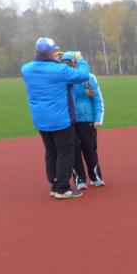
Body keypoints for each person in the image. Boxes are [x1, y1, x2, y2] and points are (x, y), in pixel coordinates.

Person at [21, 37, 90, 199]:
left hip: (40, 119)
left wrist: (54, 62)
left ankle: (54, 184)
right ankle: (62, 188)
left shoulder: (26, 69)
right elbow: (83, 75)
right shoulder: (60, 70)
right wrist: (80, 59)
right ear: (51, 52)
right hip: (60, 119)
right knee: (65, 152)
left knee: (51, 152)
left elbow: (45, 72)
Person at [60, 51, 106, 189]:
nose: (66, 66)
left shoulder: (89, 78)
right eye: (63, 63)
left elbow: (97, 99)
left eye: (69, 63)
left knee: (90, 149)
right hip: (69, 121)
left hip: (87, 120)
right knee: (74, 151)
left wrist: (98, 118)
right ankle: (80, 179)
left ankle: (95, 176)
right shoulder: (62, 78)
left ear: (75, 63)